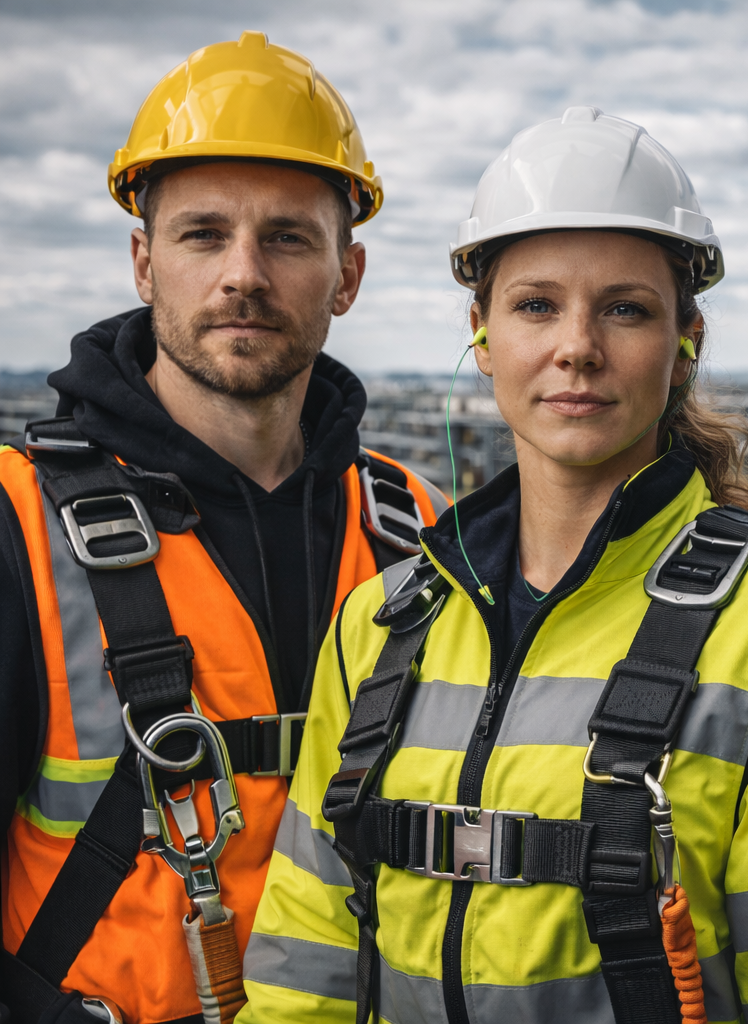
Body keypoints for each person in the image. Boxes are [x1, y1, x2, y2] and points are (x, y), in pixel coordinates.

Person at [236, 106, 748, 1024]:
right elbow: (304, 965)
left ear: (687, 344)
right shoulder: (383, 624)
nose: (577, 348)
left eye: (626, 309)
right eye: (536, 305)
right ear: (482, 333)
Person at [0, 32, 445, 1024]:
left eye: (288, 237)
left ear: (349, 275)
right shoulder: (19, 527)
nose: (243, 273)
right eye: (204, 234)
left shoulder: (421, 529)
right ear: (143, 261)